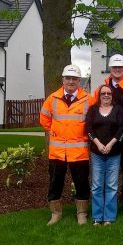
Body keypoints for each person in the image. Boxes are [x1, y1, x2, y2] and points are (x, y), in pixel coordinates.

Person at [40, 64, 95, 226]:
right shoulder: (53, 98)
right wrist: (57, 132)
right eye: (68, 78)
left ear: (79, 81)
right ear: (63, 79)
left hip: (79, 151)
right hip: (57, 151)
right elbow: (44, 119)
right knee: (55, 182)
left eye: (74, 79)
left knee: (82, 183)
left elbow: (93, 122)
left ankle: (82, 213)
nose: (71, 81)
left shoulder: (88, 99)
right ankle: (55, 214)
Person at [94, 54, 123, 215]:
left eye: (120, 67)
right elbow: (94, 112)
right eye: (114, 67)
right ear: (110, 69)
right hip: (106, 137)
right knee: (105, 172)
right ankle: (106, 203)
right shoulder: (101, 89)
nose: (117, 70)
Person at [85, 84, 123, 225]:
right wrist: (99, 144)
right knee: (96, 185)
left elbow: (122, 128)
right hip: (97, 153)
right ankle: (97, 216)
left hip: (114, 153)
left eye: (109, 93)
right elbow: (88, 128)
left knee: (111, 185)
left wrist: (110, 144)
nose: (106, 95)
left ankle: (109, 217)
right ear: (99, 95)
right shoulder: (93, 110)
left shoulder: (118, 110)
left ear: (112, 95)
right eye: (103, 93)